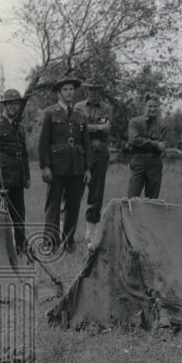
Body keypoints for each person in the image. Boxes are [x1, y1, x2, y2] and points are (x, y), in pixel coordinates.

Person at [38, 74, 92, 254]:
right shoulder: (49, 113)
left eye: (71, 90)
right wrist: (45, 166)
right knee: (53, 206)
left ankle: (69, 242)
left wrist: (87, 168)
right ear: (59, 93)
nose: (69, 93)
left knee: (73, 205)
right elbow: (43, 142)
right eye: (65, 90)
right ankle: (50, 243)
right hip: (56, 166)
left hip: (76, 166)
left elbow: (86, 142)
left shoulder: (80, 114)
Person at [0, 88, 31, 255]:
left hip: (16, 179)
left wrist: (26, 177)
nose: (13, 107)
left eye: (16, 104)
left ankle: (21, 248)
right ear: (5, 105)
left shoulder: (20, 128)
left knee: (19, 216)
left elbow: (23, 154)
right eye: (10, 104)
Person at [74, 78, 113, 244]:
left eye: (97, 89)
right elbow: (76, 127)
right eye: (91, 89)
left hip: (99, 151)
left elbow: (105, 129)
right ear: (86, 90)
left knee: (96, 191)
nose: (93, 92)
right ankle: (67, 231)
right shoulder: (78, 107)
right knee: (75, 189)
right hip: (81, 151)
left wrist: (87, 126)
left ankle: (90, 233)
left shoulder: (107, 108)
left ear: (100, 91)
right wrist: (94, 127)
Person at [127, 95, 167, 199]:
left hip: (155, 162)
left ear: (158, 108)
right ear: (144, 107)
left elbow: (162, 146)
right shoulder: (135, 122)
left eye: (155, 106)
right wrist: (155, 144)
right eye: (150, 106)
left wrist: (143, 143)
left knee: (152, 200)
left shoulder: (162, 125)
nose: (152, 109)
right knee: (132, 197)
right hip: (138, 160)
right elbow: (133, 140)